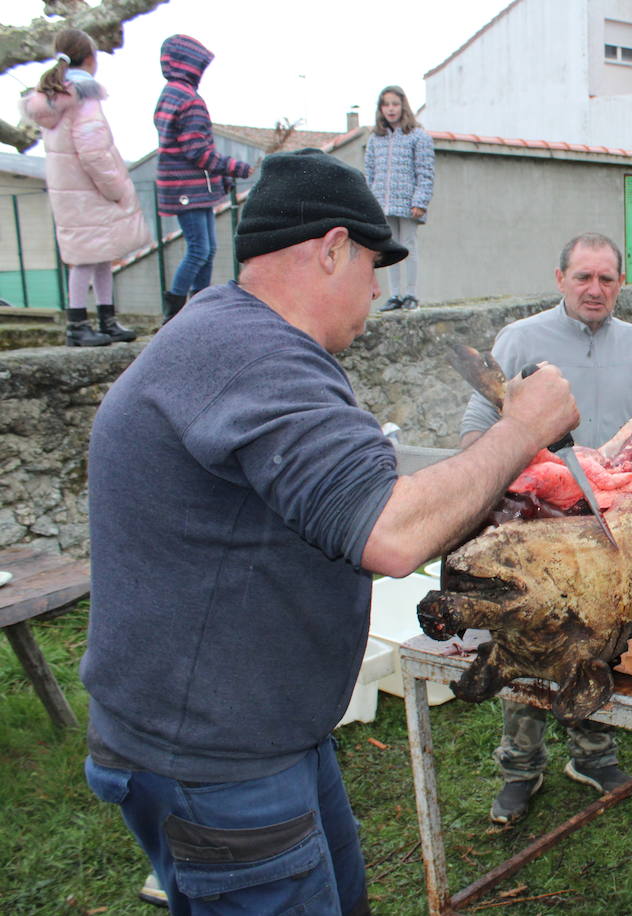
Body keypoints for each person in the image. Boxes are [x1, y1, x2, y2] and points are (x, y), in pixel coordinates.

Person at [82, 149, 579, 915]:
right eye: (373, 266)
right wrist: (522, 429)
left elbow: (341, 511)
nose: (378, 289)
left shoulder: (238, 338)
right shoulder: (252, 356)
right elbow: (388, 533)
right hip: (216, 759)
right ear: (331, 248)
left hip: (262, 731)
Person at [460, 231, 632, 826]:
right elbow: (479, 424)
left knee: (595, 642)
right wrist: (508, 485)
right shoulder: (522, 339)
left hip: (609, 524)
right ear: (560, 279)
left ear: (621, 285)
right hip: (537, 528)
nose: (595, 289)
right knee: (528, 644)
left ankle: (592, 750)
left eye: (607, 279)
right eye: (583, 277)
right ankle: (519, 770)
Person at [22, 28, 148, 347]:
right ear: (90, 59)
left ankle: (103, 319)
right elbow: (93, 151)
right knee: (88, 258)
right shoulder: (84, 98)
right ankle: (79, 323)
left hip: (69, 190)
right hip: (90, 188)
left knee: (96, 253)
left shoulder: (54, 99)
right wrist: (116, 187)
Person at [154, 34, 253, 321]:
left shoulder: (169, 95)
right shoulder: (189, 101)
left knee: (206, 249)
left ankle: (198, 306)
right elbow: (198, 151)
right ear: (189, 65)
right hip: (189, 187)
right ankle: (176, 310)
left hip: (188, 186)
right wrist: (234, 167)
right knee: (200, 249)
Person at [364, 85, 434, 312]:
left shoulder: (418, 136)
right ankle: (395, 295)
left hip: (408, 203)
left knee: (409, 247)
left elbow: (425, 171)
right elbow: (370, 173)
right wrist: (370, 201)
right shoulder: (376, 139)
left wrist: (420, 201)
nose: (391, 109)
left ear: (403, 106)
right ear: (381, 109)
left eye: (395, 104)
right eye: (386, 105)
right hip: (382, 203)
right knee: (389, 249)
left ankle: (411, 294)